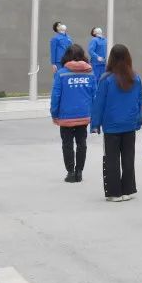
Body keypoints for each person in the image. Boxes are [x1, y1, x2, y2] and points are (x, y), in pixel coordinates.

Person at [91, 43, 142, 201]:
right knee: (128, 158)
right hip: (129, 124)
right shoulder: (135, 78)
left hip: (111, 125)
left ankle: (114, 193)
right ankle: (128, 190)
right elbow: (138, 102)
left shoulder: (106, 79)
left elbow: (99, 103)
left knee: (111, 159)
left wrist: (95, 124)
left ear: (111, 58)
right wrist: (138, 121)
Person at [50, 43, 95, 183]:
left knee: (67, 144)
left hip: (66, 116)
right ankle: (79, 172)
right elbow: (94, 95)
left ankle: (70, 173)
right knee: (82, 143)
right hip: (84, 115)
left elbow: (56, 95)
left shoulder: (61, 73)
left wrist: (54, 113)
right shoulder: (90, 73)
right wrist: (94, 114)